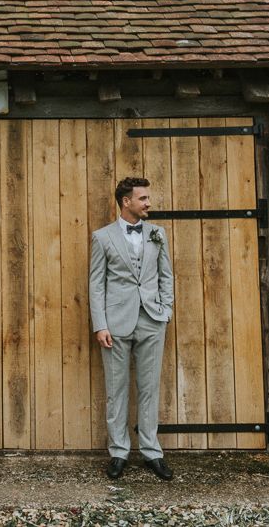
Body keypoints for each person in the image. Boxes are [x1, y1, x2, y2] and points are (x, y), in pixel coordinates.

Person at [89, 177, 175, 481]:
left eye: (148, 198)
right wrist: (100, 324)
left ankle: (152, 452)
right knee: (117, 390)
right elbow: (96, 284)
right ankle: (119, 452)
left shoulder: (157, 234)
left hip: (152, 320)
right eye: (143, 198)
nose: (148, 203)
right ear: (127, 202)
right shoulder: (102, 237)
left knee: (149, 389)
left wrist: (166, 311)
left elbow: (167, 275)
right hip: (116, 323)